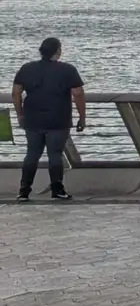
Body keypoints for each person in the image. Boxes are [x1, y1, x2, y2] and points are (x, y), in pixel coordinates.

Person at [12, 37, 85, 202]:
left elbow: (16, 92)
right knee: (55, 154)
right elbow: (78, 94)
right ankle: (57, 190)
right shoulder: (68, 70)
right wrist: (82, 117)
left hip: (32, 119)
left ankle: (24, 191)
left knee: (32, 154)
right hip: (58, 119)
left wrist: (20, 114)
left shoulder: (27, 68)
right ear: (58, 51)